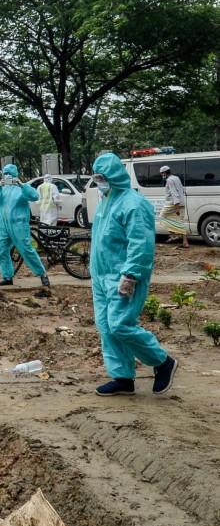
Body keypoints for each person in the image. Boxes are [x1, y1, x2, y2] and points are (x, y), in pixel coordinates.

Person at [89, 152, 178, 396]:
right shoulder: (107, 200)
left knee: (120, 324)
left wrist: (131, 274)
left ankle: (162, 361)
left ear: (114, 175)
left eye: (102, 177)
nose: (99, 182)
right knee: (106, 326)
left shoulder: (133, 203)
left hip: (124, 276)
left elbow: (141, 244)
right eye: (96, 177)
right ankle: (123, 377)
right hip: (101, 275)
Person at [0, 164, 49, 288]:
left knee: (26, 249)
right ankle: (7, 276)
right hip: (2, 225)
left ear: (15, 174)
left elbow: (34, 196)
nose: (7, 176)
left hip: (18, 225)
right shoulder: (1, 187)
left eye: (9, 173)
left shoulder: (22, 187)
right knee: (1, 249)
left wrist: (21, 185)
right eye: (5, 173)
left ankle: (42, 274)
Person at [160, 165, 189, 248]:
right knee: (179, 221)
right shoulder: (176, 178)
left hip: (172, 204)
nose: (162, 175)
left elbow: (174, 193)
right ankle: (185, 242)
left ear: (165, 173)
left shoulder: (169, 180)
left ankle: (173, 235)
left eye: (162, 173)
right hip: (181, 202)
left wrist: (176, 206)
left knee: (163, 217)